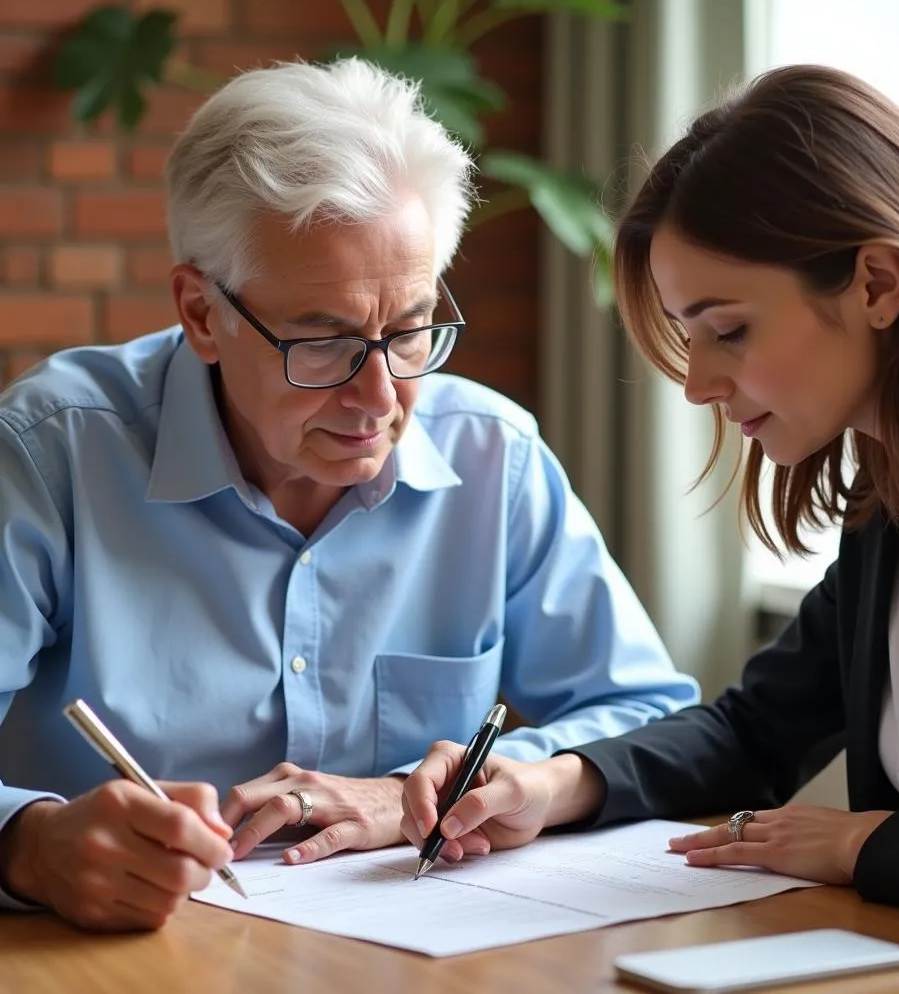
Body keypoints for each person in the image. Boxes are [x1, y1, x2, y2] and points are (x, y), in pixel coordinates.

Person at [0, 57, 700, 932]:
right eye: (323, 343)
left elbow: (648, 716)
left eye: (409, 332)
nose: (380, 398)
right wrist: (27, 845)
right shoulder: (49, 454)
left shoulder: (494, 458)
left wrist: (438, 790)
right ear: (202, 313)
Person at [400, 63, 899, 942]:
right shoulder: (895, 487)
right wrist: (548, 784)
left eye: (728, 330)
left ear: (879, 284)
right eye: (689, 337)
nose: (697, 385)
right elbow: (754, 734)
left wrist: (864, 844)